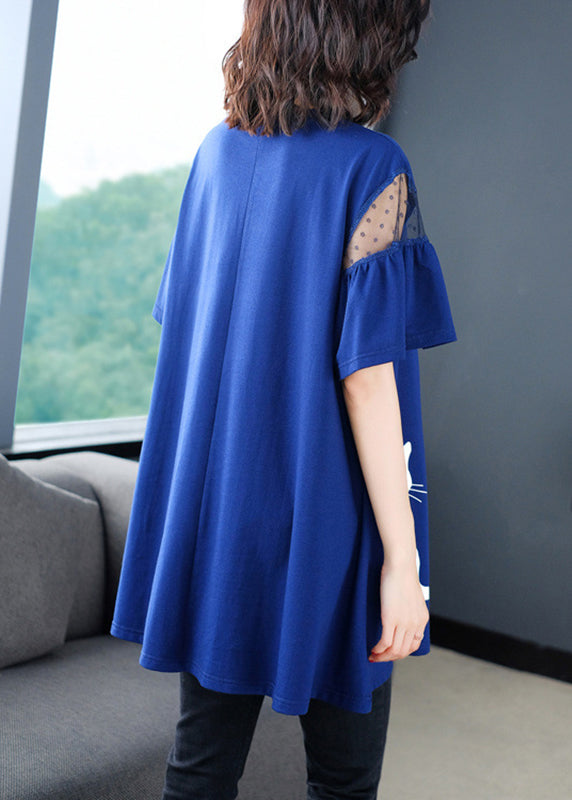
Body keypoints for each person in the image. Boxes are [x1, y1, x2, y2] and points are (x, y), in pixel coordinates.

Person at [110, 0, 458, 797]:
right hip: (331, 526)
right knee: (343, 780)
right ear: (367, 33)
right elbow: (367, 380)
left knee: (200, 769)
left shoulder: (215, 153)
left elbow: (190, 332)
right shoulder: (374, 167)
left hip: (220, 521)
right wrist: (403, 563)